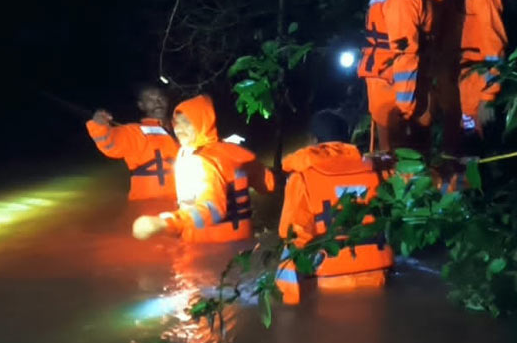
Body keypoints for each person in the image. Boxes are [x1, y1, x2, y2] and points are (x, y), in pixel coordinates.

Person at [274, 110, 394, 305]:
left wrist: (287, 303)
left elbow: (292, 234)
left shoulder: (302, 177)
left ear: (313, 141)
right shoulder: (376, 171)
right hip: (378, 275)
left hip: (330, 281)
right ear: (348, 139)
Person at [131, 95, 266, 243]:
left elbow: (213, 209)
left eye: (187, 123)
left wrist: (165, 223)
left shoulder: (202, 161)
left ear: (202, 123)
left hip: (211, 243)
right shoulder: (231, 152)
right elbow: (269, 183)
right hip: (241, 239)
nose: (179, 129)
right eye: (177, 123)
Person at [359, 0, 441, 151]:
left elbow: (406, 57)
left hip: (398, 106)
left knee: (401, 165)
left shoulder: (400, 1)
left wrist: (404, 111)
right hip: (389, 103)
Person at [444, 0, 512, 142]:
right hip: (468, 94)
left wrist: (488, 97)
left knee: (483, 152)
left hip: (480, 98)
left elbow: (495, 47)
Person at [87, 85, 179, 200]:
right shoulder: (134, 132)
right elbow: (109, 144)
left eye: (160, 98)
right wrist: (100, 126)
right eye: (150, 99)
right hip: (146, 203)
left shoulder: (182, 127)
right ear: (141, 105)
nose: (157, 103)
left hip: (184, 202)